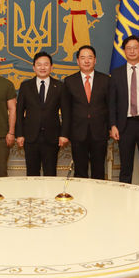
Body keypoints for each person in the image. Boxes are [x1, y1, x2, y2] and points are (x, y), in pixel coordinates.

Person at [109, 35, 139, 187]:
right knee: (125, 167)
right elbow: (112, 102)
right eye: (128, 48)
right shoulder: (116, 73)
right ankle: (124, 202)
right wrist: (113, 125)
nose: (132, 51)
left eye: (135, 48)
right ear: (123, 51)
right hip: (125, 125)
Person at [61, 45, 110, 179]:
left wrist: (111, 127)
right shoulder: (69, 81)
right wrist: (65, 133)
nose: (86, 61)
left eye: (90, 57)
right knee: (80, 172)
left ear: (95, 60)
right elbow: (66, 110)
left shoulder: (105, 80)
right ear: (77, 61)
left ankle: (97, 199)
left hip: (99, 132)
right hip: (78, 133)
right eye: (83, 58)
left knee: (98, 170)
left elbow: (110, 106)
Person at [16, 51, 65, 176]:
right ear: (34, 67)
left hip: (52, 138)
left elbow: (66, 113)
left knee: (50, 173)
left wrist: (63, 134)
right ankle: (32, 196)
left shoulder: (59, 86)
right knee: (32, 174)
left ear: (51, 67)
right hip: (31, 138)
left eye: (46, 64)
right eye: (39, 64)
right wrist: (20, 134)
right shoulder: (26, 86)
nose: (42, 67)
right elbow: (19, 112)